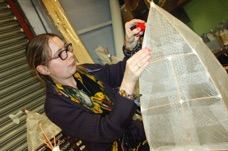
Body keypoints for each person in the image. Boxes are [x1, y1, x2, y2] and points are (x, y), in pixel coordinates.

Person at [25, 19, 152, 151]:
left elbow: (120, 72)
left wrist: (130, 48)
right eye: (60, 54)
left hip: (134, 133)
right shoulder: (55, 107)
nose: (70, 55)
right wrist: (127, 85)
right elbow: (105, 132)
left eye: (66, 48)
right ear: (44, 69)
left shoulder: (85, 72)